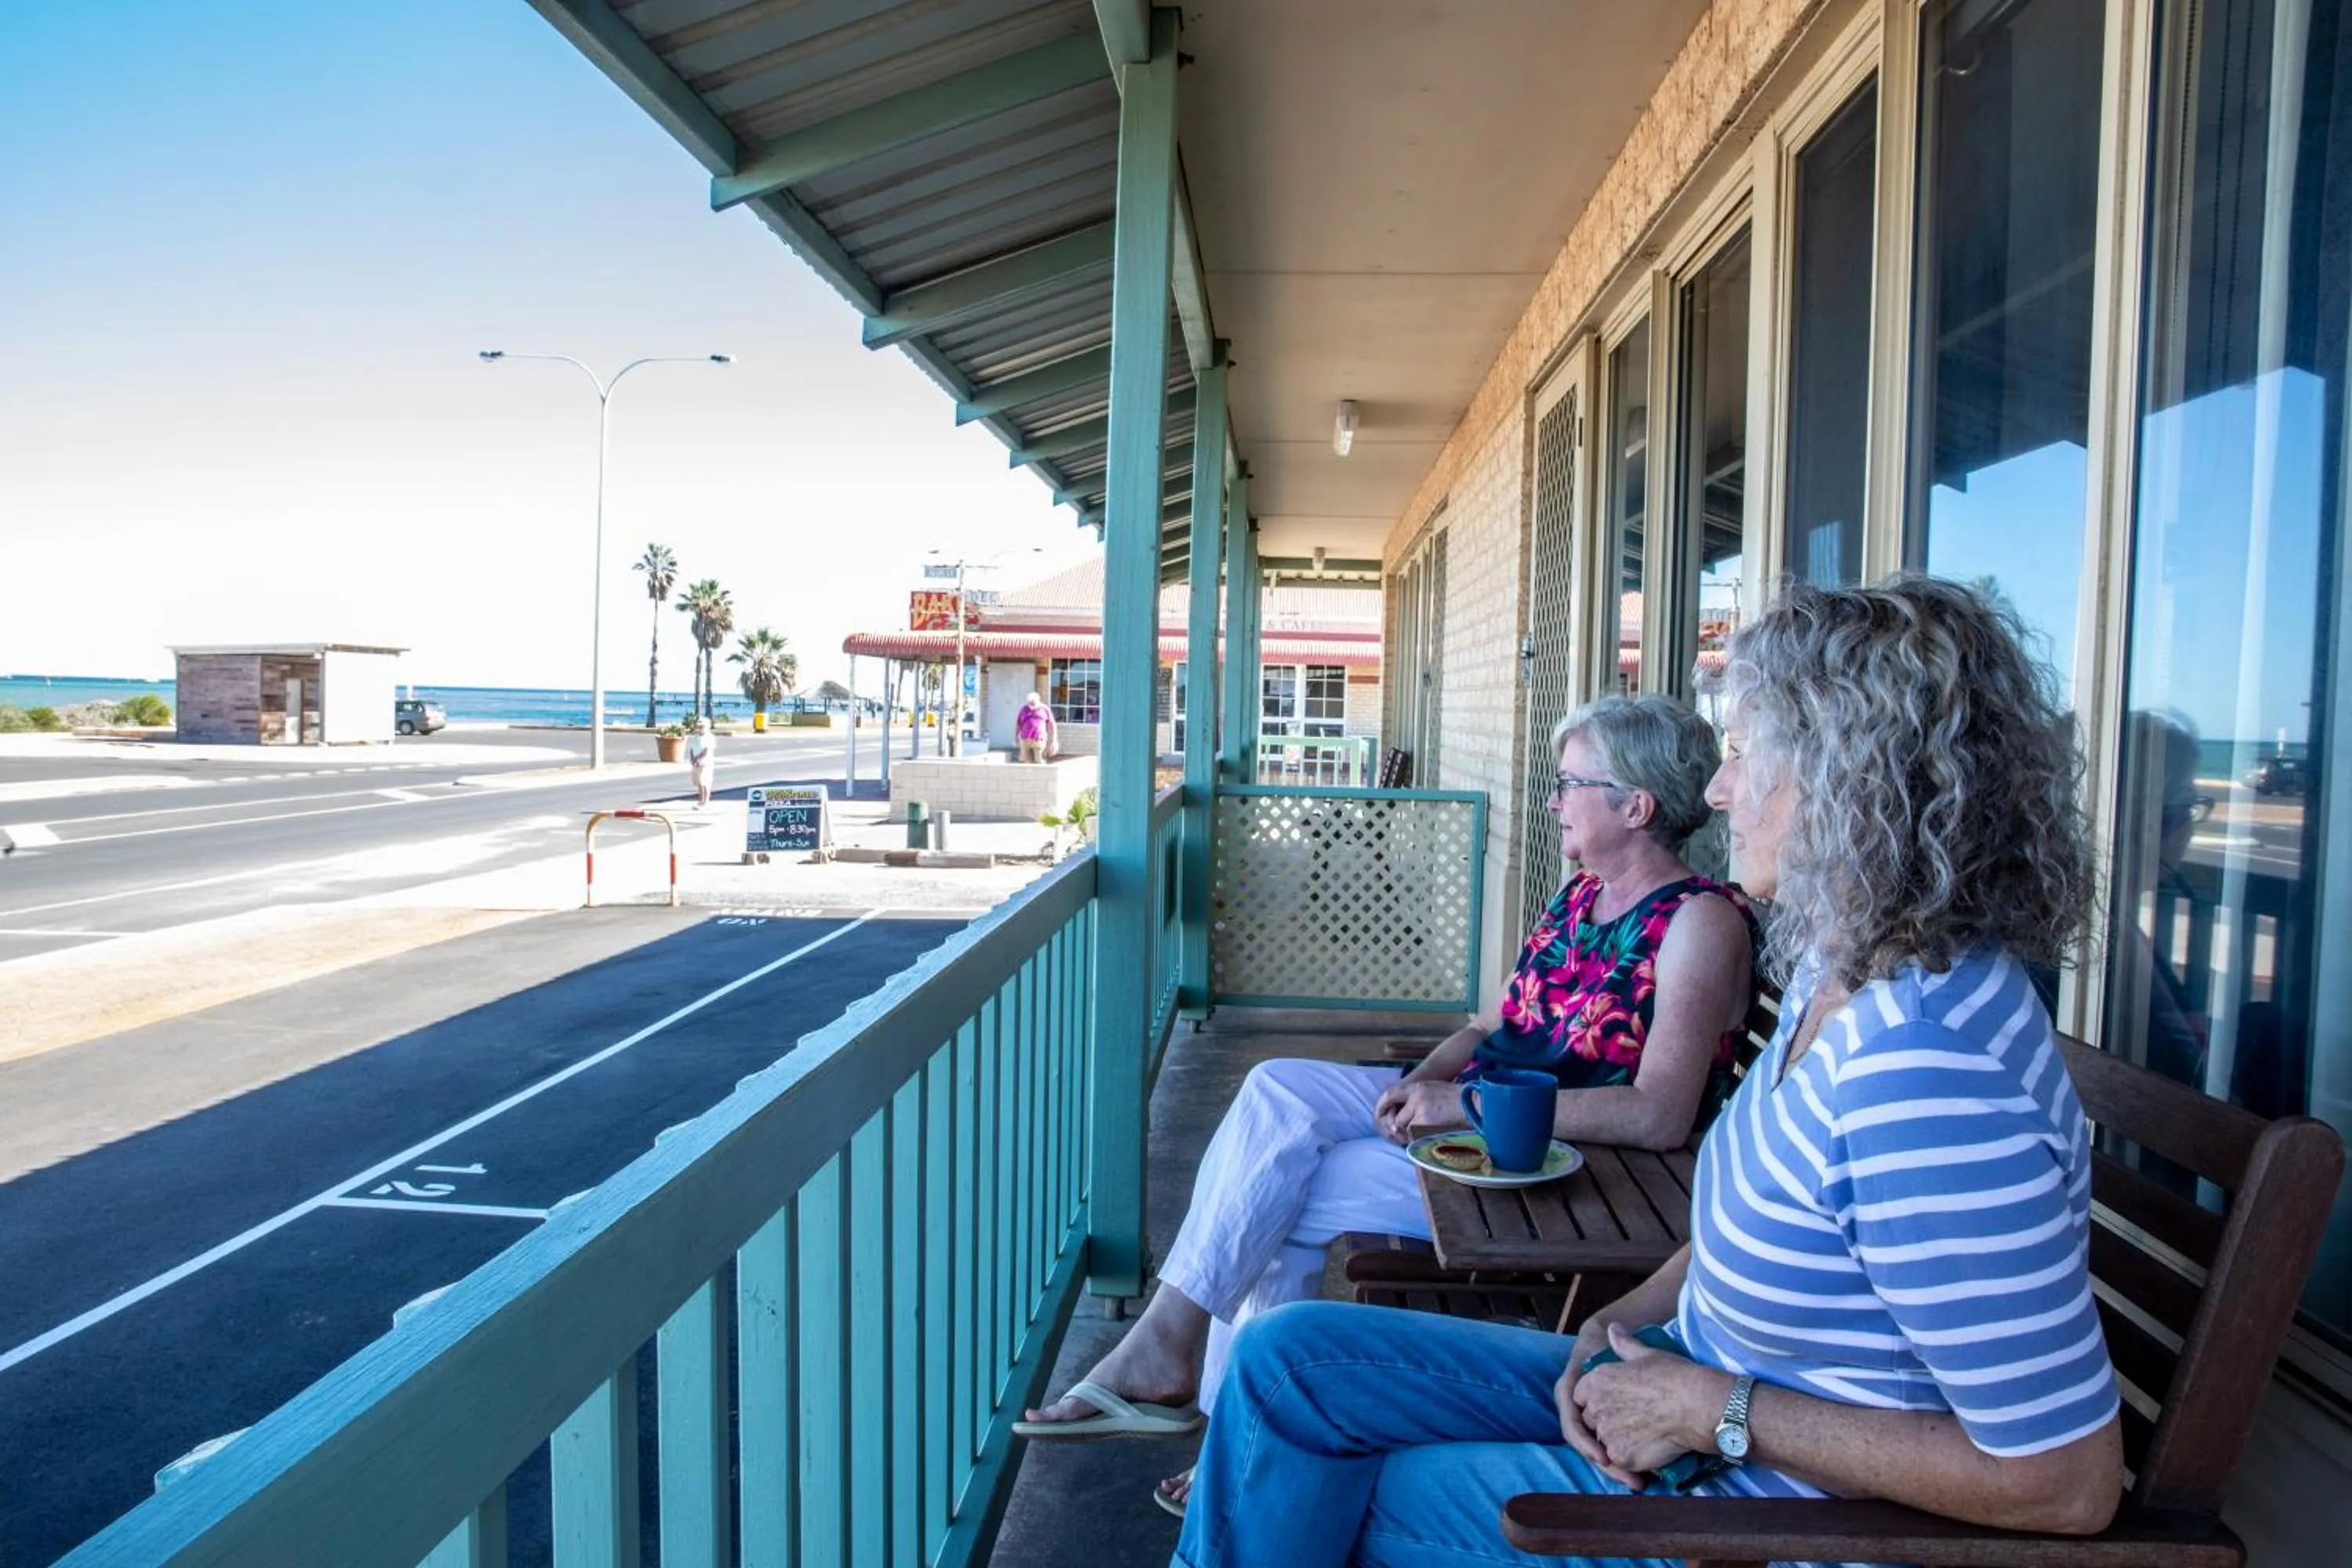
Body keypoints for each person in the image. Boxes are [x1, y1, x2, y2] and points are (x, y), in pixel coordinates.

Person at [1172, 575, 2124, 1567]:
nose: (1716, 791)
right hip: (1680, 1396)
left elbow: (2065, 1478)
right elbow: (1741, 1228)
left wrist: (1717, 1406)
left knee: (1322, 1488)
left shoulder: (1926, 1072)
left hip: (1750, 1507)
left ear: (1852, 777)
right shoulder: (1843, 974)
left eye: (1748, 752)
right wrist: (1618, 1320)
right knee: (1289, 1365)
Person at [1015, 695, 1757, 1518]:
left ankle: (1212, 1405)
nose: (1552, 801)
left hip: (1569, 1170)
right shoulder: (1581, 897)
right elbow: (1494, 1023)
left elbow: (1657, 1112)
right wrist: (1428, 1080)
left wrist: (1461, 1102)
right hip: (1481, 1122)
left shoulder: (1697, 921)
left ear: (1636, 805)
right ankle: (1190, 1370)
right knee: (1274, 1094)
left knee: (1279, 1190)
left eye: (1569, 783)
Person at [1017, 691, 1058, 762]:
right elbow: (1018, 724)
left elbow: (1052, 725)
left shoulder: (1045, 709)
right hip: (1025, 740)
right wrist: (1016, 737)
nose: (1031, 705)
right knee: (1025, 763)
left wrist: (1054, 741)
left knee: (1040, 762)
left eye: (1033, 703)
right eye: (1030, 703)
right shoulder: (1024, 709)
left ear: (1038, 701)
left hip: (1039, 740)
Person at [685, 715, 715, 807]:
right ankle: (701, 799)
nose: (699, 728)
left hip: (705, 763)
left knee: (705, 782)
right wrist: (692, 759)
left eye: (702, 727)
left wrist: (697, 758)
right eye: (698, 726)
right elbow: (691, 749)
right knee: (698, 783)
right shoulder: (694, 737)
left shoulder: (710, 737)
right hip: (695, 763)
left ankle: (706, 801)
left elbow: (706, 751)